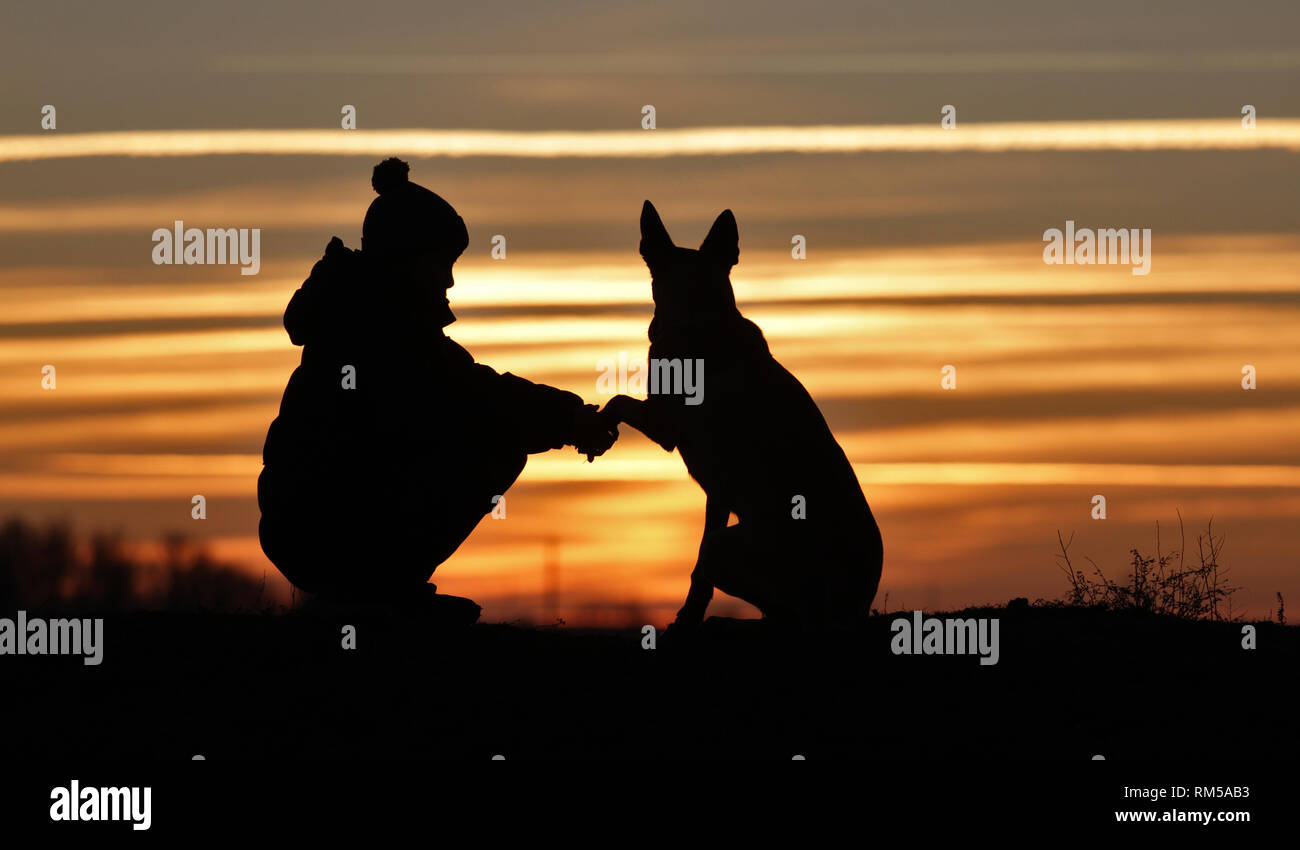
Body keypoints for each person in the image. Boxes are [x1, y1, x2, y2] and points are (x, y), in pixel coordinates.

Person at [257, 158, 617, 621]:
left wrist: (567, 417)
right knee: (497, 445)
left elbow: (471, 391)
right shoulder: (385, 330)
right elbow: (480, 399)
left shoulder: (358, 314)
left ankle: (378, 588)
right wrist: (571, 419)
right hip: (327, 530)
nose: (448, 280)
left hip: (303, 527)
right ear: (407, 261)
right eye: (441, 264)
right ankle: (381, 592)